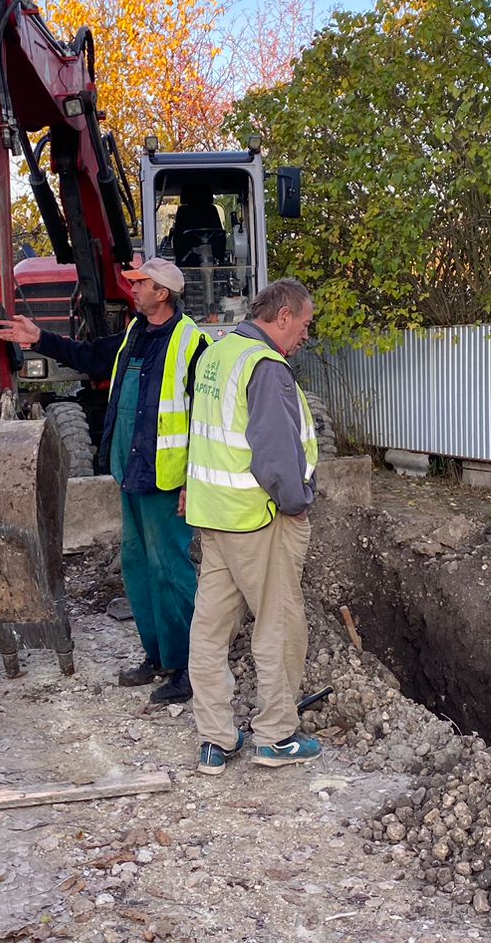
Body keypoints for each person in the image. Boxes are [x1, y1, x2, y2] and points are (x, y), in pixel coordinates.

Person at [0, 257, 208, 704]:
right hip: (131, 471)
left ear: (163, 293)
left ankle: (189, 670)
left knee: (172, 572)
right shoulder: (135, 333)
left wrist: (193, 481)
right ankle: (157, 657)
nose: (133, 288)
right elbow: (89, 356)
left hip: (167, 481)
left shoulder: (193, 344)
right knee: (138, 568)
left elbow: (204, 420)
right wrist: (41, 339)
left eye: (141, 283)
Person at [184, 277, 319, 775]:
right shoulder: (266, 368)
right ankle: (275, 737)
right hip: (257, 520)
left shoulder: (219, 354)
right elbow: (277, 455)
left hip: (214, 518)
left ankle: (215, 741)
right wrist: (297, 503)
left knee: (210, 632)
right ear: (282, 316)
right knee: (278, 625)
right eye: (304, 325)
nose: (305, 335)